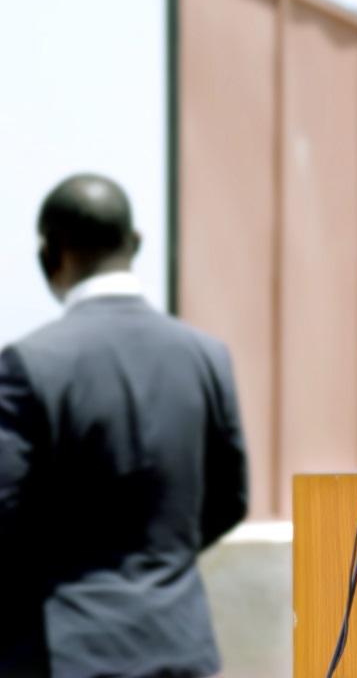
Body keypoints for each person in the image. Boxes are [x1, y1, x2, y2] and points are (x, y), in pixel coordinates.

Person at [0, 174, 248, 678]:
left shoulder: (29, 363)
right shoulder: (205, 356)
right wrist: (157, 559)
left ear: (50, 255)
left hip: (67, 653)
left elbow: (6, 514)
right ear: (134, 243)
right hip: (182, 649)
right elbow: (230, 499)